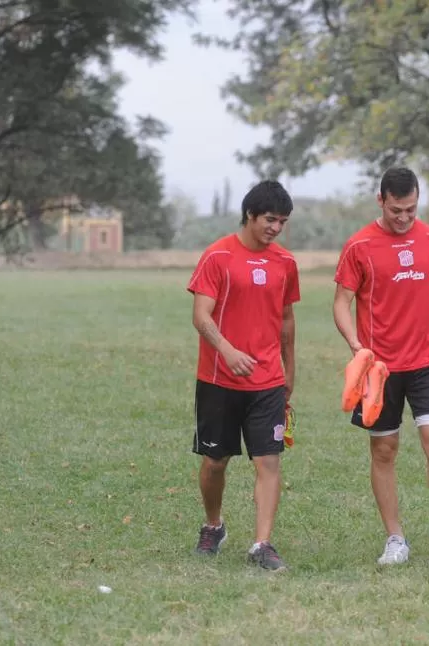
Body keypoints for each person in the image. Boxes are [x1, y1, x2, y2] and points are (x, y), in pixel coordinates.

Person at [332, 166, 429, 566]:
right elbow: (341, 302)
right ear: (380, 201)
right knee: (384, 449)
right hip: (379, 368)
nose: (403, 218)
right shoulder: (359, 246)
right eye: (396, 210)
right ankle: (395, 540)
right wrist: (356, 346)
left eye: (410, 210)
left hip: (428, 360)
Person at [186, 180, 300, 571]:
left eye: (282, 222)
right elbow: (200, 315)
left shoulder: (285, 263)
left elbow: (286, 320)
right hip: (219, 378)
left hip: (267, 381)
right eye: (270, 219)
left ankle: (262, 543)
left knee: (268, 461)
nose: (276, 228)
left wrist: (290, 370)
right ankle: (213, 524)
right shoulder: (217, 257)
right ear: (250, 215)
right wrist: (228, 350)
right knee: (215, 462)